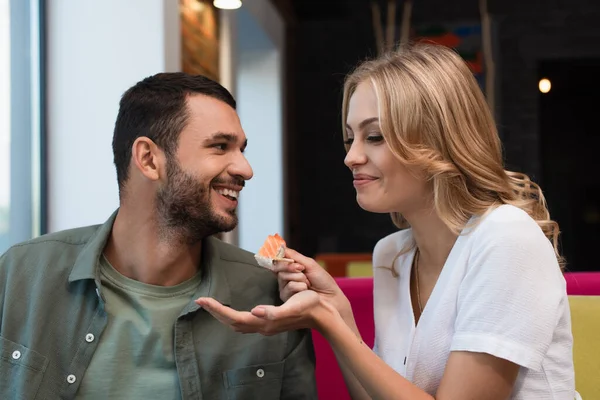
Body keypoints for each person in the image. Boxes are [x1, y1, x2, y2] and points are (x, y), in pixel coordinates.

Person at [196, 44, 576, 399]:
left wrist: (327, 321)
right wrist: (338, 312)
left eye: (374, 136)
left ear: (438, 140)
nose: (351, 157)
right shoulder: (393, 254)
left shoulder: (506, 237)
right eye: (350, 139)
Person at [0, 73, 317, 399]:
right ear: (149, 159)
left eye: (241, 149)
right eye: (220, 146)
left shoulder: (270, 297)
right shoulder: (20, 274)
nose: (245, 169)